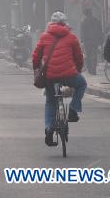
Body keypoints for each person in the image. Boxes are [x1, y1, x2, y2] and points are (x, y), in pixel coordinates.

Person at [32, 11, 87, 146]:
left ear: (50, 23)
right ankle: (73, 110)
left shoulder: (44, 36)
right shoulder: (71, 37)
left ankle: (49, 128)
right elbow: (79, 57)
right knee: (82, 83)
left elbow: (35, 56)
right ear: (65, 23)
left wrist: (37, 69)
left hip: (50, 76)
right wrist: (77, 71)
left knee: (50, 102)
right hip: (69, 75)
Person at [80, 8, 104, 75]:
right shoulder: (97, 21)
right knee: (94, 55)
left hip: (87, 41)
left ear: (85, 14)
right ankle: (93, 70)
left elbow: (82, 32)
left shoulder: (84, 22)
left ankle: (90, 69)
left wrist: (82, 41)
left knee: (88, 55)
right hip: (95, 41)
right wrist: (101, 41)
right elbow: (100, 31)